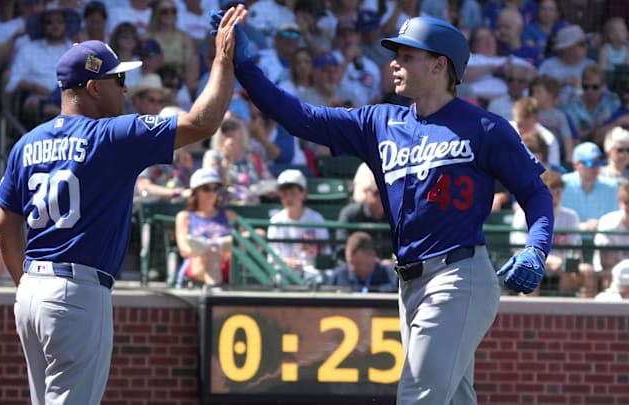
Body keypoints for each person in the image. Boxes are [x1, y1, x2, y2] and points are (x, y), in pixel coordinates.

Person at [212, 10, 553, 403]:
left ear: (439, 65)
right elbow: (301, 118)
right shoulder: (379, 122)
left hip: (458, 276)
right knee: (453, 398)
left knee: (417, 395)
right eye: (397, 54)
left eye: (408, 55)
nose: (394, 62)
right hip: (410, 282)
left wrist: (536, 249)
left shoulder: (484, 127)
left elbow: (536, 193)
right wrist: (247, 67)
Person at [0, 7, 242, 404]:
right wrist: (223, 61)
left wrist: (26, 284)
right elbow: (202, 122)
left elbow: (4, 225)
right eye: (118, 78)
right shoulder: (110, 135)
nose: (125, 88)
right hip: (75, 291)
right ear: (92, 87)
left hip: (32, 290)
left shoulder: (28, 142)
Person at [174, 168, 236, 286]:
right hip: (197, 263)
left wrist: (221, 250)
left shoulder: (229, 215)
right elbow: (184, 250)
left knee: (257, 234)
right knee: (211, 251)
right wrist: (209, 250)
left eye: (215, 189)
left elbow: (245, 241)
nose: (211, 193)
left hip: (228, 263)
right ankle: (215, 296)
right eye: (206, 189)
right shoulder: (184, 217)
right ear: (195, 192)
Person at [267, 169, 330, 274]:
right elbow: (272, 257)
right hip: (284, 273)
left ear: (303, 194)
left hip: (311, 272)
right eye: (284, 194)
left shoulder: (316, 218)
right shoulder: (276, 220)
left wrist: (313, 250)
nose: (288, 198)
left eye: (293, 193)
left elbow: (325, 252)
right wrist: (287, 262)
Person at [324, 231, 399, 292]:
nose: (352, 269)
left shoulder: (392, 277)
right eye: (350, 263)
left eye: (358, 264)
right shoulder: (338, 277)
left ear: (373, 256)